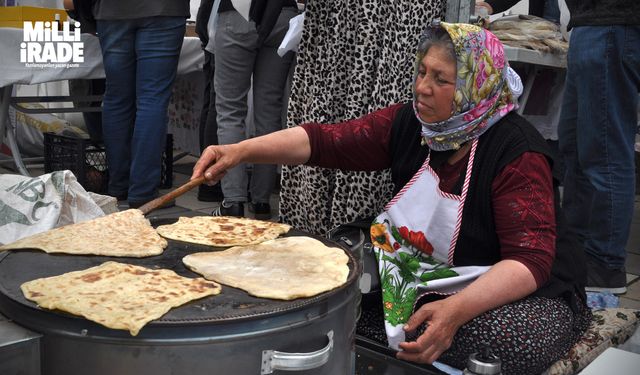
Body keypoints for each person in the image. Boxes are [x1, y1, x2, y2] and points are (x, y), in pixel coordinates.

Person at [193, 22, 591, 374]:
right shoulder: (413, 124)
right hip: (426, 274)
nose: (422, 87)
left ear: (475, 85)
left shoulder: (516, 153)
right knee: (340, 298)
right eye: (421, 72)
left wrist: (454, 312)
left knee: (508, 342)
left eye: (440, 79)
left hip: (513, 289)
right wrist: (239, 151)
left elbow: (529, 261)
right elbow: (326, 141)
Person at [557, 1, 640, 294]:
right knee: (575, 149)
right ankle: (576, 251)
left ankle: (604, 263)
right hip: (592, 25)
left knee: (604, 152)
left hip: (612, 23)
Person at [93, 0, 188, 207]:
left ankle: (118, 186)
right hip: (164, 9)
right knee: (152, 99)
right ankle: (143, 191)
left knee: (117, 99)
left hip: (112, 11)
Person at [212, 0, 298, 218]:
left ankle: (233, 200)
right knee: (269, 110)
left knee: (230, 109)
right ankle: (262, 200)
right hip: (282, 13)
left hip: (238, 13)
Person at [194, 0, 223, 202]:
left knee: (217, 104)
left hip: (216, 18)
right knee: (222, 105)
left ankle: (208, 183)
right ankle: (260, 198)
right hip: (223, 17)